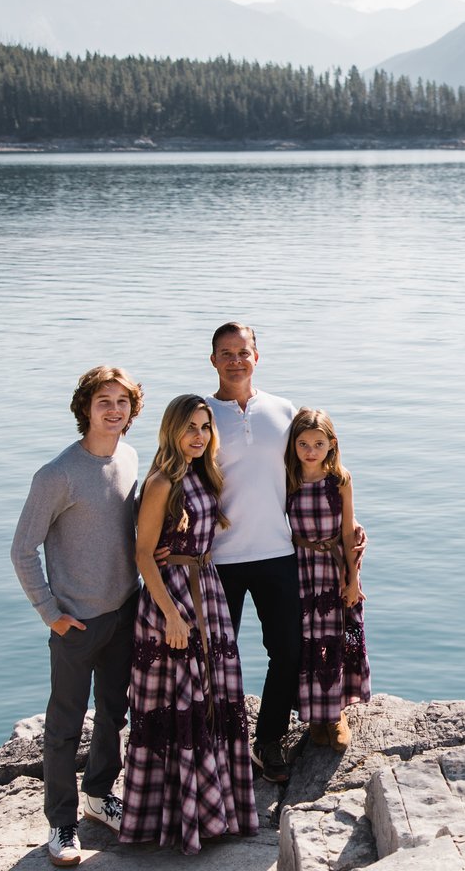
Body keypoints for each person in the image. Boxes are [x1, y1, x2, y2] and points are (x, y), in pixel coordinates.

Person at [10, 366, 143, 868]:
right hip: (76, 623)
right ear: (85, 407)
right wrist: (51, 613)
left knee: (114, 713)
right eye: (103, 401)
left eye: (122, 402)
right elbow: (23, 550)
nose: (114, 410)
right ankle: (61, 822)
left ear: (132, 410)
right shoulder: (57, 474)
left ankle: (100, 795)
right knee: (64, 725)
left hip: (125, 611)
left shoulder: (129, 457)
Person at [119, 394, 258, 853]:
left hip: (206, 592)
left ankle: (214, 812)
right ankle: (178, 820)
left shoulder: (202, 473)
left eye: (205, 427)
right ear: (172, 430)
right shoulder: (162, 481)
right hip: (172, 601)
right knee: (179, 704)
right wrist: (172, 616)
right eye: (190, 427)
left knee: (211, 702)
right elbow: (143, 555)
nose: (199, 436)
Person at [203, 322, 302, 781]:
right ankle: (218, 743)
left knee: (288, 650)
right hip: (217, 559)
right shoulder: (201, 414)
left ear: (256, 357)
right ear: (213, 360)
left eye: (243, 352)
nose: (235, 361)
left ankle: (268, 741)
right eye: (226, 353)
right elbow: (171, 475)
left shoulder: (284, 410)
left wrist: (350, 521)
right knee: (216, 659)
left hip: (277, 551)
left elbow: (315, 471)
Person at [284, 408, 371, 747]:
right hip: (300, 569)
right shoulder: (287, 479)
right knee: (306, 641)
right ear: (293, 445)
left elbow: (348, 532)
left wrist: (352, 580)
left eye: (318, 444)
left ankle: (335, 714)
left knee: (333, 640)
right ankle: (313, 716)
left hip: (333, 569)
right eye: (303, 444)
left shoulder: (340, 480)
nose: (310, 451)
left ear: (332, 444)